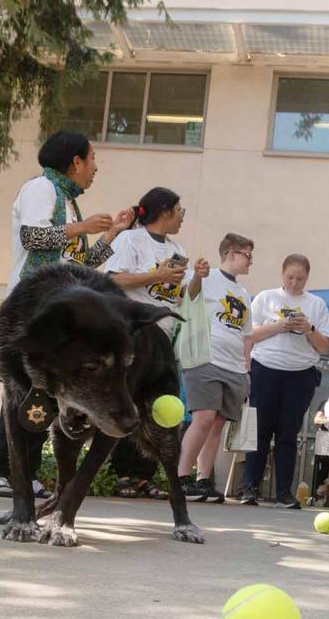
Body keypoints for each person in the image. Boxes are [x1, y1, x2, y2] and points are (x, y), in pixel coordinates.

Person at [0, 130, 134, 499]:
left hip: (56, 311)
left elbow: (80, 266)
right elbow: (34, 237)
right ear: (75, 161)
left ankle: (25, 474)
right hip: (32, 309)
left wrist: (111, 233)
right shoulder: (42, 189)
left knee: (43, 391)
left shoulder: (67, 201)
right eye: (92, 158)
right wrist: (82, 227)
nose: (96, 167)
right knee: (21, 389)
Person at [106, 186, 201, 499]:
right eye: (179, 211)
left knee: (158, 405)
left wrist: (196, 278)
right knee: (128, 400)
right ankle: (122, 474)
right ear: (164, 211)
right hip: (134, 329)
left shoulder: (177, 248)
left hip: (163, 334)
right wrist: (155, 277)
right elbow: (112, 279)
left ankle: (145, 474)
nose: (181, 217)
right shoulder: (130, 239)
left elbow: (183, 295)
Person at [240, 254, 329, 509]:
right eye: (290, 277)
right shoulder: (265, 298)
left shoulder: (316, 304)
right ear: (282, 275)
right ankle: (250, 486)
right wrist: (279, 325)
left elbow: (324, 346)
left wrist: (309, 329)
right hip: (265, 369)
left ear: (307, 277)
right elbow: (249, 334)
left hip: (300, 373)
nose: (294, 283)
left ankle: (284, 491)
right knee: (259, 431)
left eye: (300, 279)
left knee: (287, 433)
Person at [177, 233, 257, 504]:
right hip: (205, 358)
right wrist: (198, 275)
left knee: (218, 423)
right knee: (204, 418)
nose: (250, 262)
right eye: (247, 255)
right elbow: (188, 295)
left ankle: (203, 479)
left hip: (234, 366)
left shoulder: (244, 294)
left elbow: (247, 334)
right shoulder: (205, 275)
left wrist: (246, 366)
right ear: (231, 254)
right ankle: (181, 477)